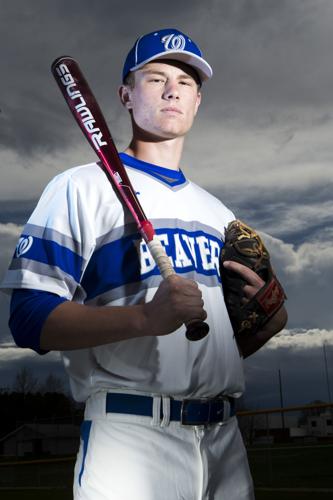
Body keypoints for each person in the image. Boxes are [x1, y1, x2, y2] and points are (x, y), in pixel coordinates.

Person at [1, 28, 287, 499]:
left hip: (224, 442)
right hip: (132, 439)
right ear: (126, 96)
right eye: (155, 78)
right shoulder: (81, 187)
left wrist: (266, 322)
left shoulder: (220, 215)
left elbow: (211, 340)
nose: (173, 88)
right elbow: (29, 319)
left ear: (197, 102)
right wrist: (143, 318)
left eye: (186, 81)